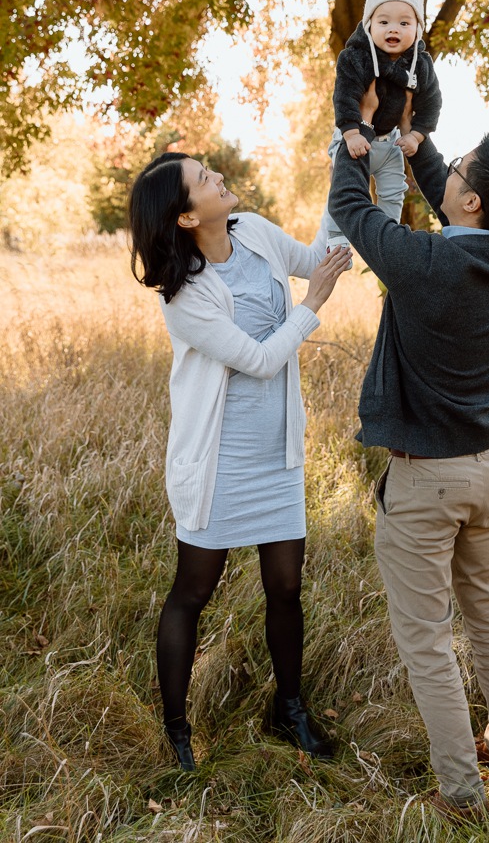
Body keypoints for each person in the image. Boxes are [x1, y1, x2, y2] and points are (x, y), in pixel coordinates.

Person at [328, 86, 489, 823]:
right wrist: (424, 156)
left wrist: (349, 139)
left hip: (427, 481)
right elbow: (463, 216)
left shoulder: (422, 267)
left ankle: (459, 790)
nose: (450, 174)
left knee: (425, 638)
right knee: (487, 609)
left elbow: (355, 214)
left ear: (472, 201)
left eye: (461, 170)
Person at [128, 151, 352, 770]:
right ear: (183, 217)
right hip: (219, 461)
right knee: (193, 591)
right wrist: (314, 305)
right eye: (204, 180)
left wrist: (346, 177)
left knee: (285, 586)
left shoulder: (252, 231)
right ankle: (176, 731)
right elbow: (257, 359)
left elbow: (315, 258)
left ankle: (290, 708)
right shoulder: (186, 298)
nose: (219, 177)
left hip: (277, 455)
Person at [326, 0, 442, 255]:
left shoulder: (421, 65)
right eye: (384, 21)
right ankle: (336, 239)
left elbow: (431, 102)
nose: (394, 29)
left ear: (417, 28)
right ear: (369, 25)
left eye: (405, 23)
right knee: (345, 190)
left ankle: (387, 240)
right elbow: (345, 94)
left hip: (390, 142)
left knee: (393, 190)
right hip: (354, 138)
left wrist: (415, 135)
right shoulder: (356, 57)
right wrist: (351, 131)